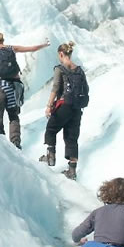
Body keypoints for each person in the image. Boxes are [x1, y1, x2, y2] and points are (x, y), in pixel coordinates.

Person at [40, 41, 88, 180]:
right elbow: (86, 89)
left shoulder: (60, 69)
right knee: (72, 138)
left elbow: (55, 87)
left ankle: (50, 157)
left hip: (64, 105)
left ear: (61, 54)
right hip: (77, 108)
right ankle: (72, 171)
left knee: (51, 129)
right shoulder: (79, 70)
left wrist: (49, 106)